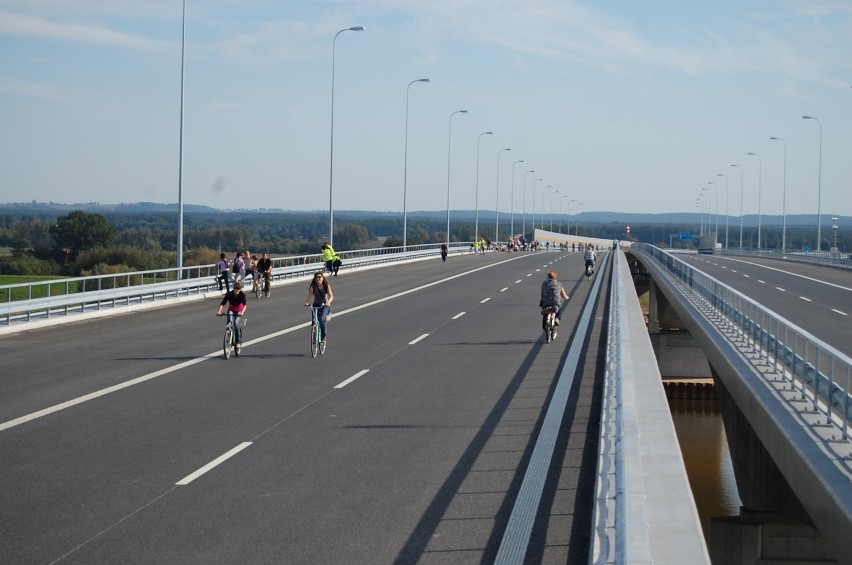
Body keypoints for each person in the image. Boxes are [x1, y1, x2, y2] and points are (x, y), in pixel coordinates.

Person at [217, 280, 247, 355]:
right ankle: (229, 334)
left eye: (238, 289)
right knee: (229, 322)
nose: (236, 290)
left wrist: (242, 312)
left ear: (240, 289)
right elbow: (223, 303)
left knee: (236, 324)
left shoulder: (242, 295)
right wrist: (219, 311)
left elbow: (245, 306)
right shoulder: (229, 294)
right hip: (231, 309)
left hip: (239, 310)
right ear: (233, 288)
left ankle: (238, 342)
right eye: (235, 289)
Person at [304, 272, 334, 343]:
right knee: (314, 321)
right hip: (316, 305)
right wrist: (307, 303)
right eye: (316, 277)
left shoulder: (326, 285)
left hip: (325, 305)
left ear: (323, 278)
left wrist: (328, 302)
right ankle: (314, 336)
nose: (318, 279)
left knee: (321, 319)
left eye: (319, 277)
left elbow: (331, 296)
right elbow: (309, 296)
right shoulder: (313, 286)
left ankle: (323, 336)